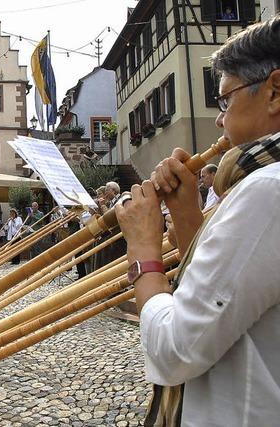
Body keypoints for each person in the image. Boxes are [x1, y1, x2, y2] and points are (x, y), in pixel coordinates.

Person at [116, 17, 280, 425]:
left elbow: (176, 350)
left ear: (275, 91)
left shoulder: (267, 190)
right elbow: (232, 296)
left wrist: (143, 253)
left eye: (226, 100)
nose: (220, 120)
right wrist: (188, 214)